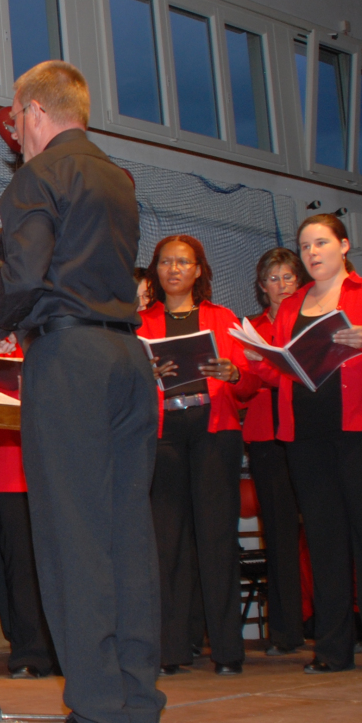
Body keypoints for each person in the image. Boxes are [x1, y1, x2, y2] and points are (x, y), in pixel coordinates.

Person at [0, 59, 162, 723]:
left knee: (71, 537)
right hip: (127, 358)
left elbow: (30, 271)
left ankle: (97, 714)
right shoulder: (116, 179)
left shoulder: (36, 176)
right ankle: (137, 706)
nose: (15, 133)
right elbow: (67, 255)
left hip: (68, 360)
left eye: (15, 118)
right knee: (127, 534)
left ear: (34, 111)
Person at [248, 212, 362, 676]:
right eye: (305, 246)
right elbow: (284, 374)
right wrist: (258, 358)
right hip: (307, 438)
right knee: (323, 543)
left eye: (320, 243)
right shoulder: (291, 306)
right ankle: (332, 650)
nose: (311, 253)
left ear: (343, 246)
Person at [139, 235, 256, 677]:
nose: (174, 269)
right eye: (166, 262)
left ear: (199, 270)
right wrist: (144, 373)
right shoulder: (139, 322)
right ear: (156, 270)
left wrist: (235, 372)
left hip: (213, 430)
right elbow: (122, 385)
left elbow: (250, 383)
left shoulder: (222, 318)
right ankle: (170, 650)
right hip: (163, 432)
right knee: (166, 543)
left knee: (217, 539)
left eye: (183, 262)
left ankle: (227, 649)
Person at [0, 345, 57, 678]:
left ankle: (66, 650)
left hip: (56, 467)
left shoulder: (56, 344)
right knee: (20, 566)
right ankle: (29, 651)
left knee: (62, 563)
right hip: (11, 469)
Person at [242, 247, 311, 654]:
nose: (281, 285)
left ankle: (336, 626)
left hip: (312, 434)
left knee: (324, 530)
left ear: (299, 282)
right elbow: (244, 385)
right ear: (261, 286)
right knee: (280, 535)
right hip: (267, 437)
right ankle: (285, 632)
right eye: (273, 278)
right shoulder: (249, 328)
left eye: (288, 277)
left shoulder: (313, 321)